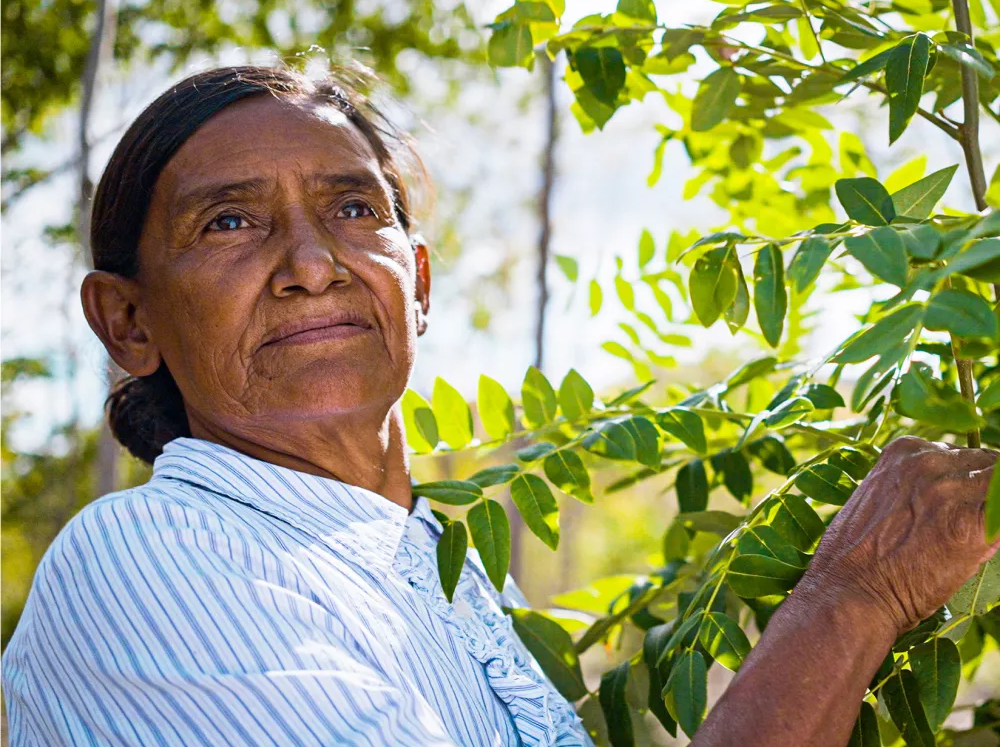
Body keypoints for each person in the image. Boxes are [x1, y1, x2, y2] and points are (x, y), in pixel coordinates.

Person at [1, 64, 996, 747]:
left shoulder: (453, 573)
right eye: (230, 221)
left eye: (353, 209)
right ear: (127, 321)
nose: (312, 265)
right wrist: (846, 602)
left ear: (416, 282)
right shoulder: (149, 560)